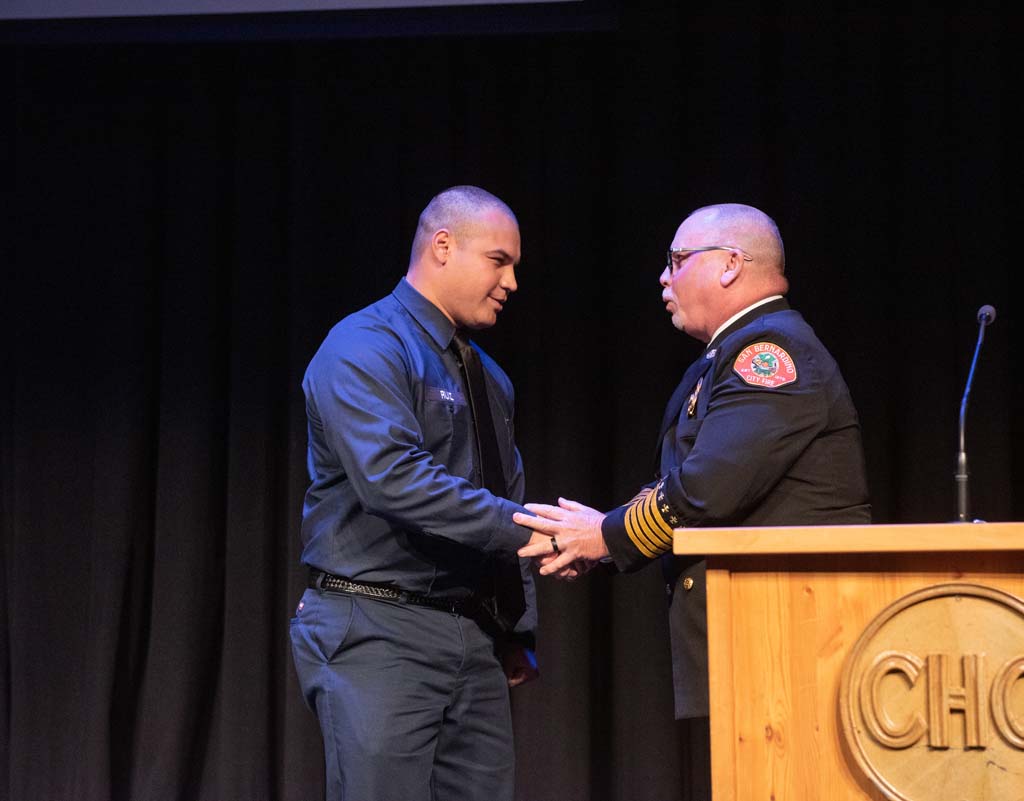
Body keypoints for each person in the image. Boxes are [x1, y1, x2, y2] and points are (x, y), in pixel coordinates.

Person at [516, 203, 871, 724]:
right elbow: (682, 483)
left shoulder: (769, 352)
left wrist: (606, 535)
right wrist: (601, 539)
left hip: (788, 639)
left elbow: (707, 488)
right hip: (756, 641)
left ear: (730, 264)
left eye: (677, 260)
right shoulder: (729, 354)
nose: (664, 277)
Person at [291, 186, 542, 801]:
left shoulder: (491, 378)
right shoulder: (365, 346)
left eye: (515, 266)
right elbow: (394, 480)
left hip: (472, 635)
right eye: (498, 261)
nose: (511, 282)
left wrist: (517, 629)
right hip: (379, 626)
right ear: (442, 246)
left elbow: (506, 492)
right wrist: (529, 530)